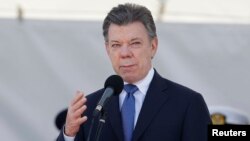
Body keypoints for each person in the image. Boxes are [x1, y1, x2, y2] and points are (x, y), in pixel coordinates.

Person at [57, 3, 211, 141]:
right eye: (116, 45)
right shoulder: (91, 107)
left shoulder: (188, 104)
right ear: (107, 49)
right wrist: (69, 134)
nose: (125, 53)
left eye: (135, 43)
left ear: (153, 46)